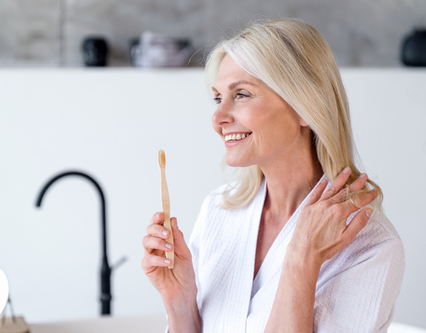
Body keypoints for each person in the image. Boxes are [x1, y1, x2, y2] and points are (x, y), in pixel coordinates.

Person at [141, 18, 404, 333]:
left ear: (305, 106)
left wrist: (300, 263)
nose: (218, 117)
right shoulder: (218, 212)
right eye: (217, 98)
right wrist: (180, 301)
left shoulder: (369, 245)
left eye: (241, 94)